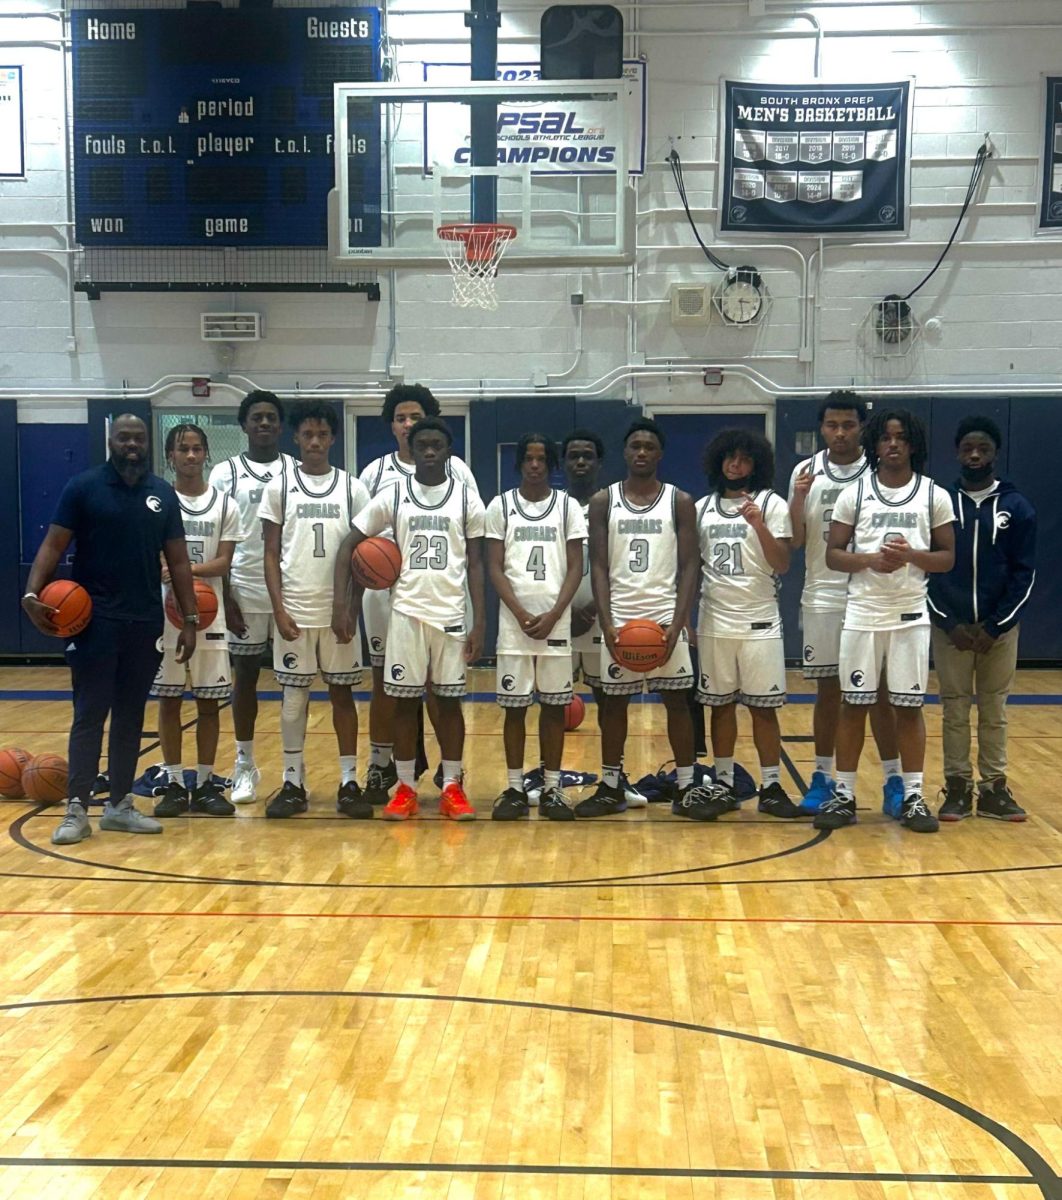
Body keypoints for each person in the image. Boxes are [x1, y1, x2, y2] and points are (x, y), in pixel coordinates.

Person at [22, 414, 198, 845]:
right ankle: (76, 808)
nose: (132, 444)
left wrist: (190, 619)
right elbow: (53, 544)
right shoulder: (83, 487)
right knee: (89, 714)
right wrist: (31, 594)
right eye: (124, 437)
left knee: (131, 716)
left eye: (138, 438)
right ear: (111, 441)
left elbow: (177, 561)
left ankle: (119, 805)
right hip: (93, 621)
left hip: (144, 620)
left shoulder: (162, 494)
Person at [335, 416, 486, 822]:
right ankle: (404, 787)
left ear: (448, 450)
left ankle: (452, 786)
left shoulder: (467, 498)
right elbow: (351, 541)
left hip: (450, 615)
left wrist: (481, 621)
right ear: (413, 449)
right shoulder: (394, 494)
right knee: (403, 704)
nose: (430, 451)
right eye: (423, 445)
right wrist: (343, 603)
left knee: (449, 704)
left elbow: (476, 563)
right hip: (404, 613)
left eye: (437, 444)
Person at [815, 409, 955, 834]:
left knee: (908, 708)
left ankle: (913, 795)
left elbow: (947, 558)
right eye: (886, 438)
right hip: (862, 612)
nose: (893, 444)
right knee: (853, 706)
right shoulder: (853, 495)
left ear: (912, 444)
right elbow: (833, 554)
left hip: (910, 615)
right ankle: (844, 794)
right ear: (874, 444)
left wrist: (911, 556)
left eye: (901, 438)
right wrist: (872, 560)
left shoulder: (933, 494)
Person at [581, 418, 719, 820]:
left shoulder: (679, 501)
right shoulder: (603, 501)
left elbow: (691, 562)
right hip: (621, 618)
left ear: (659, 454)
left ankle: (688, 785)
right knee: (613, 705)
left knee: (677, 701)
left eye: (649, 447)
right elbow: (599, 565)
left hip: (663, 615)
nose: (641, 452)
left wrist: (679, 621)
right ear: (625, 453)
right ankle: (610, 786)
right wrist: (606, 622)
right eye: (635, 446)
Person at [788, 391, 902, 815]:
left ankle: (893, 781)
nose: (839, 433)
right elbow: (796, 541)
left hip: (872, 595)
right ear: (822, 428)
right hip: (822, 595)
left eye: (848, 425)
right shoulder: (805, 471)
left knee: (881, 695)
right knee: (828, 694)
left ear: (861, 428)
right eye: (832, 425)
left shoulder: (878, 470)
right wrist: (798, 499)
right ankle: (822, 776)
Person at [260, 401, 371, 819]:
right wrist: (278, 609)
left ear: (333, 439)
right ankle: (292, 781)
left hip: (338, 613)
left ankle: (348, 781)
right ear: (296, 438)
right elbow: (270, 554)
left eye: (322, 435)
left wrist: (353, 608)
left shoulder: (353, 488)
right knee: (293, 699)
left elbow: (363, 556)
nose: (315, 442)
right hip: (295, 610)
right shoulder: (280, 487)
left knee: (343, 695)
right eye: (307, 435)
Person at [928, 416, 1036, 822]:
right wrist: (948, 621)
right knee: (954, 709)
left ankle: (994, 789)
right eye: (968, 448)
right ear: (957, 452)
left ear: (995, 454)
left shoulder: (1016, 506)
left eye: (983, 449)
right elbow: (926, 570)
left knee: (994, 710)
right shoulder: (939, 502)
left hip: (999, 630)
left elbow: (1024, 574)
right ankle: (957, 787)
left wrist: (996, 625)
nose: (975, 455)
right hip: (951, 628)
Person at [697, 429, 803, 817]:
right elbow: (693, 567)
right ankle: (723, 784)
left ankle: (772, 787)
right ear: (718, 461)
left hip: (759, 621)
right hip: (714, 621)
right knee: (720, 707)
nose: (735, 464)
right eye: (729, 457)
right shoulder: (702, 508)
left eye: (743, 458)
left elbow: (783, 563)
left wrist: (758, 524)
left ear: (755, 464)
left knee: (763, 709)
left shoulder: (771, 503)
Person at [486, 433, 585, 821]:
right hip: (514, 627)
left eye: (542, 459)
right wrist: (518, 611)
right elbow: (494, 565)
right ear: (520, 463)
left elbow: (577, 566)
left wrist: (556, 612)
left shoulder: (567, 507)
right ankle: (513, 787)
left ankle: (552, 787)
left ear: (551, 464)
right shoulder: (501, 506)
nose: (535, 465)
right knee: (514, 710)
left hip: (555, 624)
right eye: (528, 458)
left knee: (555, 709)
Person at [151, 423, 243, 819]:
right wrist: (170, 571)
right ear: (170, 456)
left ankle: (205, 783)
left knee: (209, 703)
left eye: (196, 449)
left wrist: (184, 571)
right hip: (166, 615)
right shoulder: (157, 501)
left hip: (210, 614)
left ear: (207, 454)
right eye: (182, 449)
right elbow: (150, 556)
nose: (190, 456)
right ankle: (172, 782)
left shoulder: (226, 504)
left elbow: (224, 563)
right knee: (169, 700)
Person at [208, 390, 295, 805]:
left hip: (290, 587)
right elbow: (215, 537)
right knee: (244, 674)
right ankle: (244, 763)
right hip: (243, 584)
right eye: (256, 417)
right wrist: (226, 594)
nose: (263, 424)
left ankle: (294, 773)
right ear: (244, 425)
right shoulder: (225, 474)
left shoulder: (296, 471)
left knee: (295, 681)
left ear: (281, 426)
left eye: (271, 418)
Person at [560, 429, 646, 807]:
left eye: (588, 455)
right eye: (574, 455)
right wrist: (564, 612)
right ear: (564, 463)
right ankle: (548, 780)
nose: (581, 461)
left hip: (601, 620)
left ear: (599, 463)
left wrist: (594, 608)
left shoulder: (613, 504)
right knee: (550, 704)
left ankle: (614, 778)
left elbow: (614, 564)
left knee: (610, 701)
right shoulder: (552, 505)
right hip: (557, 622)